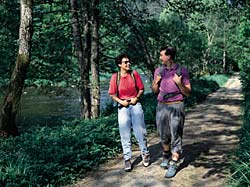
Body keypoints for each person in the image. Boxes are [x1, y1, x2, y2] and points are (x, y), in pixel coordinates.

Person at [152, 46, 191, 178]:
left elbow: (188, 93)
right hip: (161, 106)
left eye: (162, 55)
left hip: (176, 106)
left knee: (176, 134)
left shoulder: (181, 70)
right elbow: (154, 91)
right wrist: (156, 83)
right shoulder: (158, 70)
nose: (160, 57)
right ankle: (166, 155)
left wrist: (179, 83)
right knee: (163, 134)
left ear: (169, 56)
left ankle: (173, 163)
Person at [108, 53, 150, 172]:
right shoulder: (115, 77)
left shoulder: (134, 73)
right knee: (125, 134)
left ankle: (145, 153)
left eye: (128, 61)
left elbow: (141, 89)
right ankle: (127, 158)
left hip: (135, 104)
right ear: (119, 64)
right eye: (125, 62)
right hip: (122, 107)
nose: (128, 63)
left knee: (140, 132)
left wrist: (136, 97)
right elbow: (112, 94)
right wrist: (121, 101)